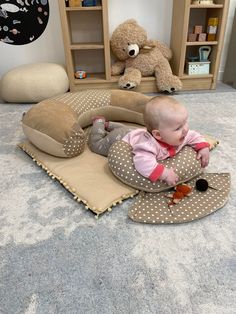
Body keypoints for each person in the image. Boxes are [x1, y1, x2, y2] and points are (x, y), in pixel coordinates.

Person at [88, 95, 210, 186]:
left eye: (185, 122)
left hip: (133, 132)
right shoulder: (148, 146)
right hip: (119, 138)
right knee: (96, 145)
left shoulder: (181, 134)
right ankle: (99, 123)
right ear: (158, 135)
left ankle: (110, 124)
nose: (185, 129)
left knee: (128, 130)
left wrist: (203, 148)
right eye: (178, 127)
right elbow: (143, 163)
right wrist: (165, 174)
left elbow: (194, 136)